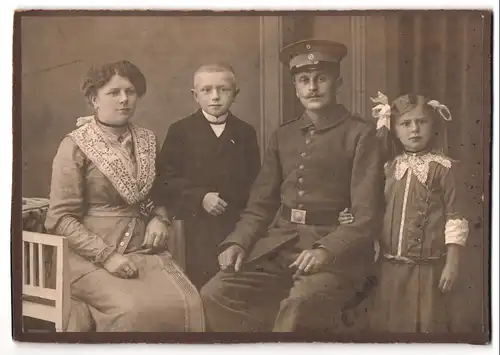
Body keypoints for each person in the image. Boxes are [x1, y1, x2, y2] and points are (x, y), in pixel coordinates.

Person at [200, 39, 385, 332]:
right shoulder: (283, 135)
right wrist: (238, 242)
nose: (312, 87)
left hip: (335, 253)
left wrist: (325, 250)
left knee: (300, 304)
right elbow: (260, 204)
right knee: (214, 295)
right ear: (296, 88)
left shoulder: (360, 135)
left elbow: (365, 217)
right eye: (304, 80)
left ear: (338, 83)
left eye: (321, 79)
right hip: (281, 245)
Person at [44, 60, 204, 332]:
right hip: (88, 255)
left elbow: (158, 193)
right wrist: (107, 257)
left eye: (130, 92)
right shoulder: (75, 145)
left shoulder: (146, 140)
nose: (124, 100)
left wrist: (160, 218)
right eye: (113, 93)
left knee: (189, 302)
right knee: (135, 310)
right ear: (94, 99)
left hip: (142, 248)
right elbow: (59, 219)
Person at [342, 92, 470, 332]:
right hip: (389, 269)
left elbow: (456, 219)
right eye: (406, 123)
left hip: (428, 270)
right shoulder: (389, 167)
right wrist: (350, 216)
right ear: (395, 129)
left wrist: (452, 263)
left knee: (425, 327)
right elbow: (371, 207)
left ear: (432, 125)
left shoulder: (444, 169)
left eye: (421, 122)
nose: (414, 130)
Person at [152, 63, 261, 289]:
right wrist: (200, 197)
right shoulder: (180, 131)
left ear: (235, 94)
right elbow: (164, 181)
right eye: (207, 90)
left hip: (234, 224)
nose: (215, 97)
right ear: (195, 95)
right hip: (193, 226)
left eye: (223, 90)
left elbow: (255, 183)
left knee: (232, 284)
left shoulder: (245, 132)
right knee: (198, 284)